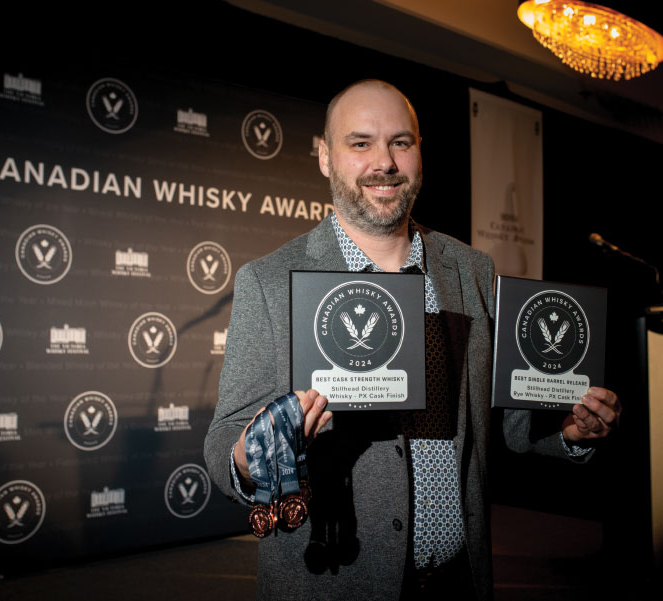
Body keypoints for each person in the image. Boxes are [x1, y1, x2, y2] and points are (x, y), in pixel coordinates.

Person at [203, 79, 621, 600]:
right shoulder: (269, 281)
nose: (385, 162)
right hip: (335, 584)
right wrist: (254, 451)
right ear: (325, 158)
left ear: (419, 153)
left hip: (457, 580)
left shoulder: (470, 271)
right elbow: (224, 443)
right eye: (360, 143)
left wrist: (570, 433)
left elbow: (506, 427)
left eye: (401, 142)